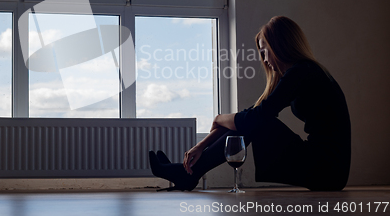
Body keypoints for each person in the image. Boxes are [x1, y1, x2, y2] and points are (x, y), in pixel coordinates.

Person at [149, 16, 351, 191]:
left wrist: (219, 118)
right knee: (255, 119)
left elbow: (254, 119)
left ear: (279, 45)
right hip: (328, 169)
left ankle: (188, 174)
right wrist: (202, 144)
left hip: (327, 171)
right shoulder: (304, 72)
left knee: (258, 121)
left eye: (264, 51)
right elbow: (251, 115)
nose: (264, 59)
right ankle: (189, 172)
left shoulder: (301, 73)